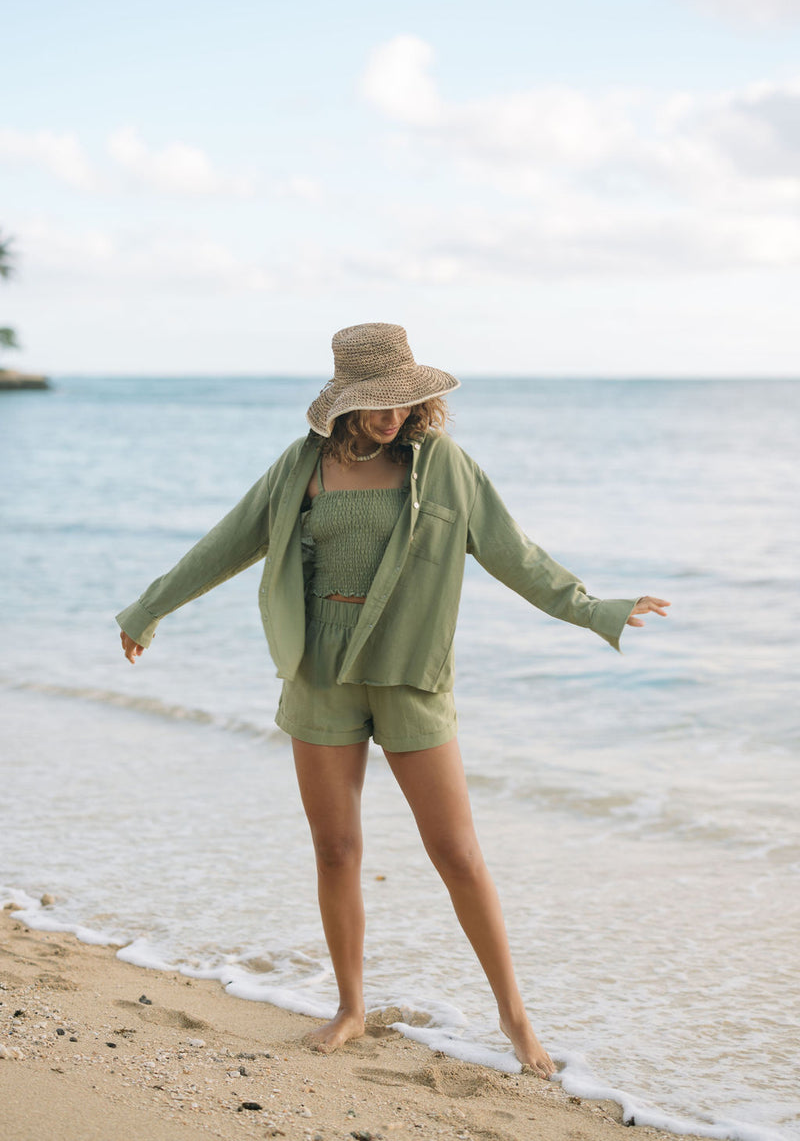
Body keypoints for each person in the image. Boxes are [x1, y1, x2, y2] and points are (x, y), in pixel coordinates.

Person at [117, 321, 669, 1078]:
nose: (393, 415)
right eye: (377, 403)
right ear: (344, 402)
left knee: (457, 852)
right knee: (337, 848)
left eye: (403, 402)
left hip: (411, 669)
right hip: (319, 669)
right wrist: (148, 607)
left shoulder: (445, 466)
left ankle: (515, 1017)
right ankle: (350, 1007)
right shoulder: (301, 466)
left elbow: (516, 555)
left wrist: (595, 606)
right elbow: (227, 540)